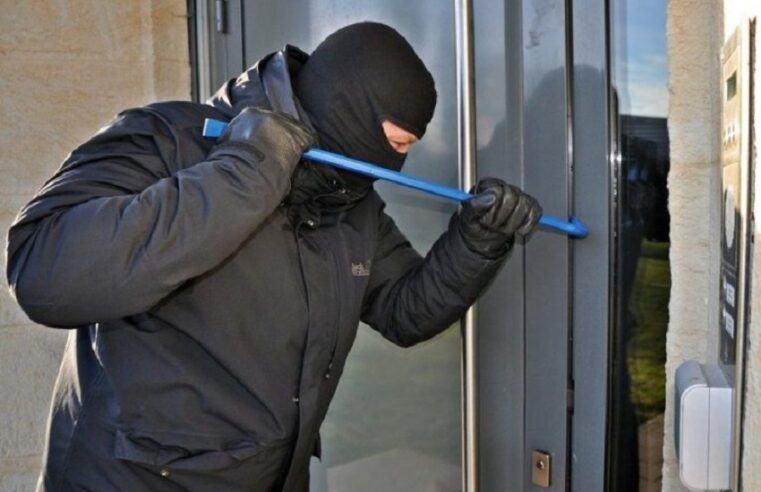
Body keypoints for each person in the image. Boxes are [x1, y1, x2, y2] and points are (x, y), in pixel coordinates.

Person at [6, 22, 541, 491]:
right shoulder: (167, 139)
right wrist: (246, 173)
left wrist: (478, 239)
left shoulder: (349, 199)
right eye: (395, 142)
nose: (396, 162)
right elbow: (42, 274)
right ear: (346, 110)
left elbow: (404, 311)